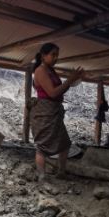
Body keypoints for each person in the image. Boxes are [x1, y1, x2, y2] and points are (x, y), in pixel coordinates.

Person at [30, 43, 84, 181]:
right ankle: (41, 175)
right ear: (43, 55)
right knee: (43, 145)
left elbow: (60, 91)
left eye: (57, 55)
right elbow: (53, 93)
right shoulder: (40, 71)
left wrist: (71, 82)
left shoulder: (51, 71)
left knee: (65, 143)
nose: (56, 58)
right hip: (45, 111)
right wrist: (69, 80)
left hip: (54, 111)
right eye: (53, 55)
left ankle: (61, 171)